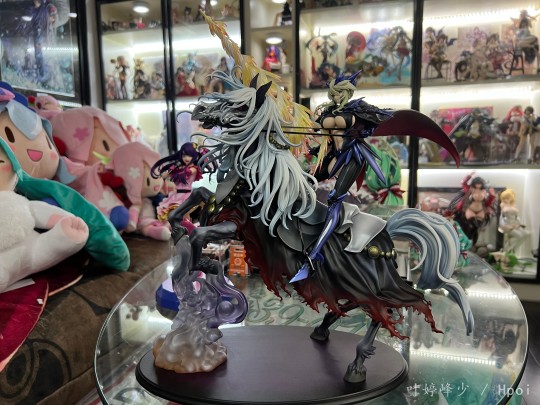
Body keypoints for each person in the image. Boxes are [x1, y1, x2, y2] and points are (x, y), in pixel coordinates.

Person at [291, 72, 393, 281]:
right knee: (301, 182)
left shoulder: (359, 109)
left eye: (340, 92)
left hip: (351, 157)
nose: (336, 95)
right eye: (334, 92)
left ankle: (316, 253)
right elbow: (322, 135)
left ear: (348, 92)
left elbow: (378, 120)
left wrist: (362, 129)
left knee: (334, 200)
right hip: (332, 156)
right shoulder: (327, 111)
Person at [151, 142, 203, 225]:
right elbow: (164, 175)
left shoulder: (194, 169)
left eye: (189, 155)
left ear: (195, 156)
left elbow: (186, 174)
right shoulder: (178, 167)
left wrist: (177, 170)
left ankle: (188, 229)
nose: (186, 158)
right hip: (176, 195)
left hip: (187, 196)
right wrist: (172, 168)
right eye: (184, 155)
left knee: (184, 216)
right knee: (173, 217)